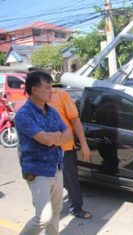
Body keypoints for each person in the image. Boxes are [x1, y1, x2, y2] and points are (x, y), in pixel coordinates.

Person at [15, 71, 72, 235]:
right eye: (47, 87)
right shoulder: (24, 115)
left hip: (56, 167)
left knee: (55, 212)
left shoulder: (52, 111)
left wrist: (54, 137)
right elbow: (46, 140)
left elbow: (68, 134)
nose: (52, 91)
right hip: (37, 171)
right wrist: (55, 137)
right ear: (34, 90)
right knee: (43, 217)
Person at [49, 88, 92, 219]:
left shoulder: (61, 95)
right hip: (45, 151)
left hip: (65, 148)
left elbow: (75, 120)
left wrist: (84, 144)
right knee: (49, 182)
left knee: (71, 181)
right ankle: (48, 210)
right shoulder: (33, 101)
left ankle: (76, 208)